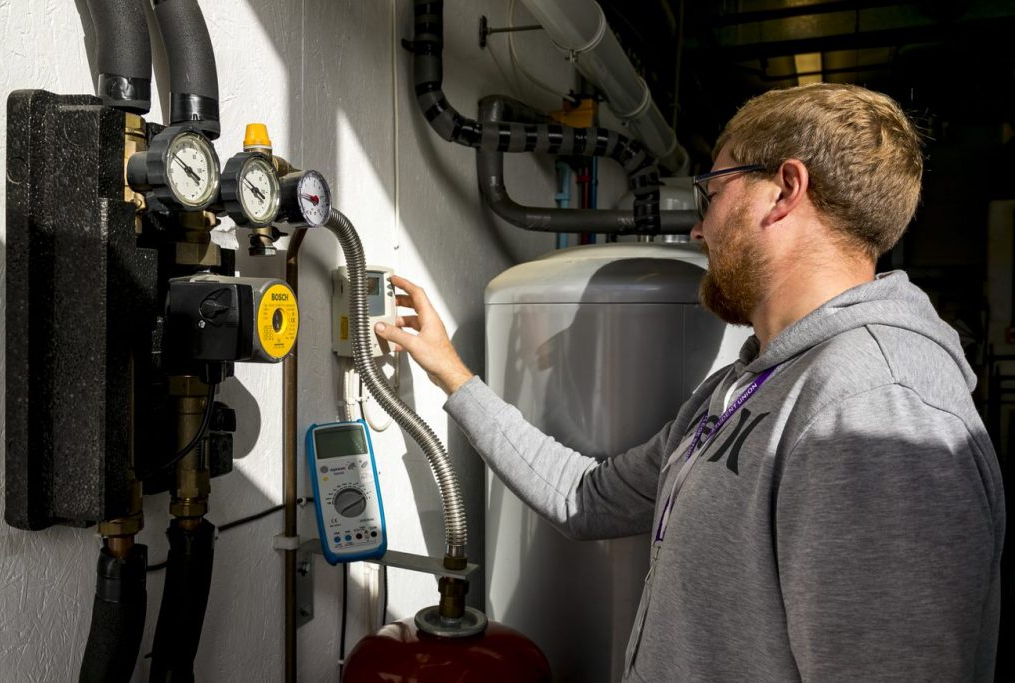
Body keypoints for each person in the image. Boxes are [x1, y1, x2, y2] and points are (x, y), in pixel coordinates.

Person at [374, 83, 1005, 681]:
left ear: (784, 190)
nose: (700, 228)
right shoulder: (744, 388)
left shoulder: (876, 408)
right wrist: (451, 373)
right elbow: (586, 498)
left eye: (715, 189)